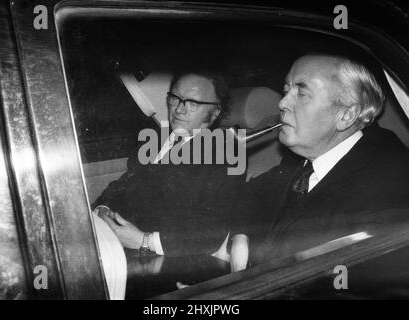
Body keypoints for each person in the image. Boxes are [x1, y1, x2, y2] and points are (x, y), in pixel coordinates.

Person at [229, 54, 409, 271]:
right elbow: (250, 196)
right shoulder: (301, 160)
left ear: (346, 115)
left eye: (301, 93)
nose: (282, 103)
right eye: (287, 91)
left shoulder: (390, 188)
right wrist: (241, 237)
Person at [93, 71, 245, 257]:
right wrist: (102, 210)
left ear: (214, 113)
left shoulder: (225, 156)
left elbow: (209, 233)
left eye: (193, 103)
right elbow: (123, 185)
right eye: (175, 98)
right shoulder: (156, 140)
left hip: (170, 261)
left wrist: (143, 240)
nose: (179, 109)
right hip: (118, 247)